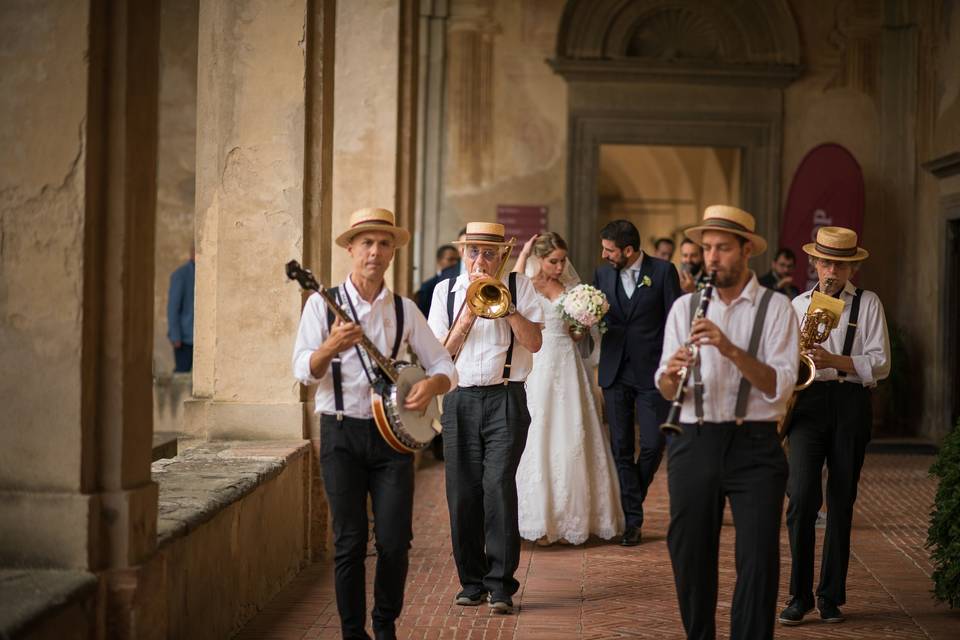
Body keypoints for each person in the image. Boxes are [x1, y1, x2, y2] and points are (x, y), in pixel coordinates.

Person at [292, 208, 457, 640]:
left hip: (393, 442)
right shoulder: (320, 303)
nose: (375, 251)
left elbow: (443, 363)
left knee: (394, 540)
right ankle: (352, 632)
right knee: (348, 542)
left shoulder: (404, 309)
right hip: (341, 433)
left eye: (384, 244)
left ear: (392, 253)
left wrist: (432, 385)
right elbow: (302, 371)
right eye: (366, 242)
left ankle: (385, 625)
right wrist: (329, 346)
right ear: (350, 248)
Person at [657, 205, 799, 640]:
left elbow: (780, 385)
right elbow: (663, 384)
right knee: (689, 552)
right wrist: (672, 375)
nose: (712, 257)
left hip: (754, 444)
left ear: (746, 251)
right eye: (707, 247)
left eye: (722, 248)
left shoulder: (777, 309)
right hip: (692, 438)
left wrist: (730, 348)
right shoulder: (684, 308)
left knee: (758, 559)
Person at [428, 222, 544, 614]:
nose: (481, 259)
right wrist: (467, 317)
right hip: (459, 401)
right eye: (474, 251)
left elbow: (535, 342)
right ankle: (471, 582)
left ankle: (501, 585)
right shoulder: (445, 292)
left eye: (489, 252)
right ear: (464, 252)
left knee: (497, 486)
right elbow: (437, 357)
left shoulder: (520, 285)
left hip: (506, 398)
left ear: (503, 255)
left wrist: (505, 306)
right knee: (461, 492)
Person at [779, 227, 890, 626]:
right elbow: (782, 361)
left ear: (851, 267)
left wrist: (836, 361)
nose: (831, 270)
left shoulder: (868, 304)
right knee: (801, 499)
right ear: (815, 263)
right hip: (807, 403)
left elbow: (881, 363)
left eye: (840, 264)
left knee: (840, 500)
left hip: (850, 402)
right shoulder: (797, 305)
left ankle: (830, 596)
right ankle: (798, 595)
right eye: (825, 262)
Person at [513, 232, 624, 545]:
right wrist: (523, 252)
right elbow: (511, 285)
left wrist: (584, 320)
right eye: (553, 261)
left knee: (572, 432)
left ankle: (573, 518)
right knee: (536, 431)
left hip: (567, 363)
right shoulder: (527, 284)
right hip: (537, 363)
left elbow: (577, 336)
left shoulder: (573, 290)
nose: (560, 266)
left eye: (562, 260)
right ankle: (534, 517)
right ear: (539, 258)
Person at [593, 220, 681, 546]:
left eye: (609, 250)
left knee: (653, 445)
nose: (603, 255)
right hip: (615, 370)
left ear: (628, 251)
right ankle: (632, 520)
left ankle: (631, 498)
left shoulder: (663, 271)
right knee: (620, 447)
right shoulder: (602, 275)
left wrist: (672, 365)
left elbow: (676, 318)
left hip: (652, 371)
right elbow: (597, 318)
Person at [167, 246, 195, 373]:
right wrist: (176, 336)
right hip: (184, 339)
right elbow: (173, 308)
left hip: (198, 338)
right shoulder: (181, 275)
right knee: (181, 376)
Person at [415, 244, 460, 316]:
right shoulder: (428, 287)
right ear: (439, 260)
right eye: (450, 259)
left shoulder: (460, 284)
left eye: (457, 260)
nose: (455, 263)